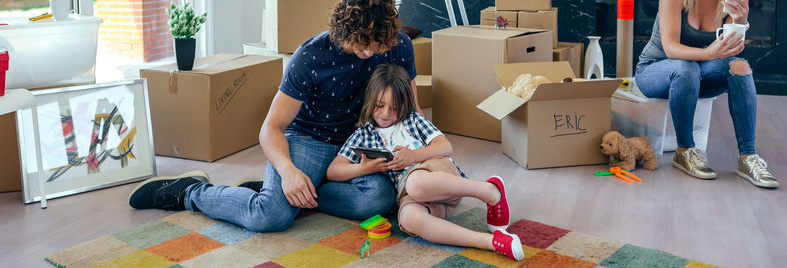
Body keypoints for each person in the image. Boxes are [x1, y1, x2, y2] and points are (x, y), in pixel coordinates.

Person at [128, 0, 424, 231]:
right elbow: (271, 127)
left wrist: (425, 155)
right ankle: (189, 192)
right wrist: (288, 171)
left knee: (378, 200)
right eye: (363, 44)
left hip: (362, 143)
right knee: (268, 217)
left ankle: (284, 193)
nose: (371, 52)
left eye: (377, 45)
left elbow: (414, 111)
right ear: (344, 30)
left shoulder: (397, 45)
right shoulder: (310, 55)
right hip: (310, 141)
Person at [326, 64, 525, 261]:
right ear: (370, 101)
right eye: (380, 105)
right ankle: (493, 242)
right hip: (417, 198)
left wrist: (413, 156)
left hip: (438, 176)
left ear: (405, 105)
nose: (386, 113)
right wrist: (363, 168)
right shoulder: (363, 134)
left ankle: (490, 190)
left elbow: (445, 146)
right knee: (407, 219)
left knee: (417, 184)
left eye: (395, 108)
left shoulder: (412, 120)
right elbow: (333, 171)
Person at [635, 0, 778, 188]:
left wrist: (741, 19)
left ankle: (748, 157)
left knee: (739, 66)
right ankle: (684, 151)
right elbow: (670, 49)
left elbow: (729, 49)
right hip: (654, 71)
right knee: (687, 68)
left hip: (696, 74)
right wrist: (709, 54)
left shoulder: (729, 1)